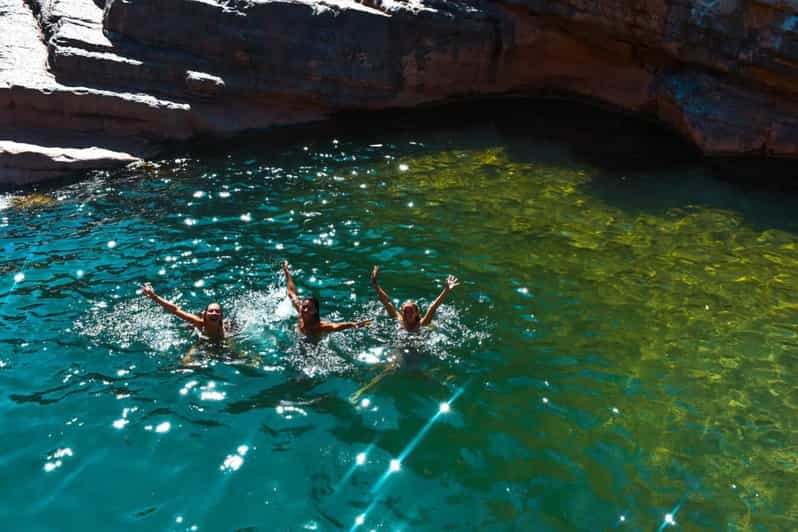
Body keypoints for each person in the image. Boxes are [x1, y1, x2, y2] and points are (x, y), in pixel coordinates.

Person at [282, 261, 371, 336]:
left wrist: (354, 324)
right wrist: (286, 272)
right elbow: (291, 292)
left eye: (309, 308)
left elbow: (336, 326)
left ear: (315, 311)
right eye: (304, 306)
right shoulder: (301, 311)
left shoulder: (320, 327)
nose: (304, 310)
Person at [370, 265, 460, 331]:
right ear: (402, 312)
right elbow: (387, 302)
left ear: (416, 313)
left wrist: (446, 289)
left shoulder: (422, 323)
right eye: (406, 311)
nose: (408, 314)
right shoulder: (399, 320)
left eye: (411, 311)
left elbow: (434, 306)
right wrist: (375, 284)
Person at [141, 282, 230, 342]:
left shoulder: (226, 328)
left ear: (221, 316)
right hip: (202, 340)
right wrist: (154, 296)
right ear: (205, 315)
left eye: (217, 311)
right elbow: (175, 310)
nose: (214, 313)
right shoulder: (199, 323)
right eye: (211, 311)